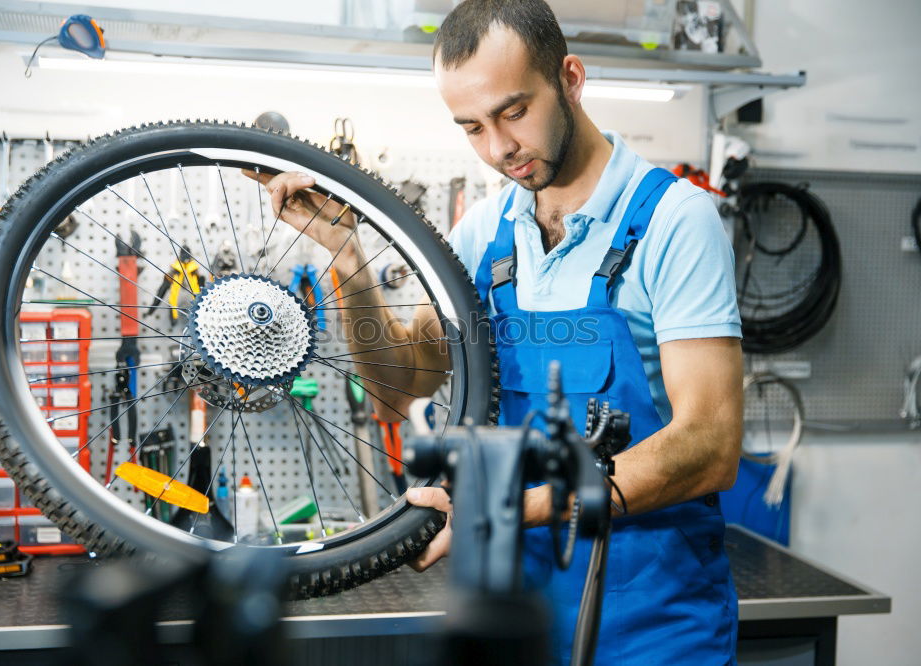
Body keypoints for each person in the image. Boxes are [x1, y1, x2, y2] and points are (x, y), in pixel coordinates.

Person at [245, 1, 743, 662]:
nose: (499, 148)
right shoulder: (485, 233)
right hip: (515, 621)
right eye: (472, 127)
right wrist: (346, 258)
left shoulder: (675, 221)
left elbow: (710, 443)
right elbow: (399, 385)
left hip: (653, 626)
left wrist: (504, 508)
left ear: (569, 77)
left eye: (514, 112)